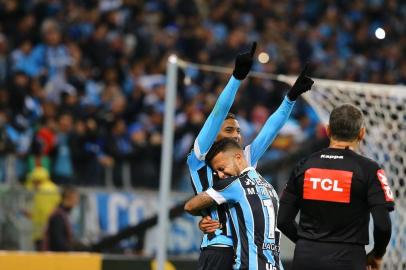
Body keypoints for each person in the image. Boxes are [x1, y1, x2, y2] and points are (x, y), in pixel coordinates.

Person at [187, 41, 313, 270]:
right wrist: (236, 78)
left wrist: (290, 98)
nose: (236, 135)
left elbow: (270, 130)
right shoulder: (200, 157)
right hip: (220, 249)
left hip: (245, 253)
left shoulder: (242, 159)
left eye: (238, 130)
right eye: (229, 130)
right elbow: (218, 114)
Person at [277, 104, 395, 270]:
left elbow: (282, 220)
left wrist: (308, 243)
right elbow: (383, 225)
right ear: (362, 133)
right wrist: (377, 254)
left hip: (306, 258)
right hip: (348, 259)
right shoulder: (369, 170)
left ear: (328, 130)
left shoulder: (304, 166)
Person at [185, 138, 283, 270]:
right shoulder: (269, 187)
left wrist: (206, 216)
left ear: (238, 157)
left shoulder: (234, 185)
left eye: (221, 168)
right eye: (217, 171)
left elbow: (190, 206)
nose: (220, 175)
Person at [42, 185, 82, 251]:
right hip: (57, 258)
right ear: (70, 197)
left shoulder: (64, 214)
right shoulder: (58, 216)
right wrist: (75, 249)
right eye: (76, 198)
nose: (77, 201)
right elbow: (58, 243)